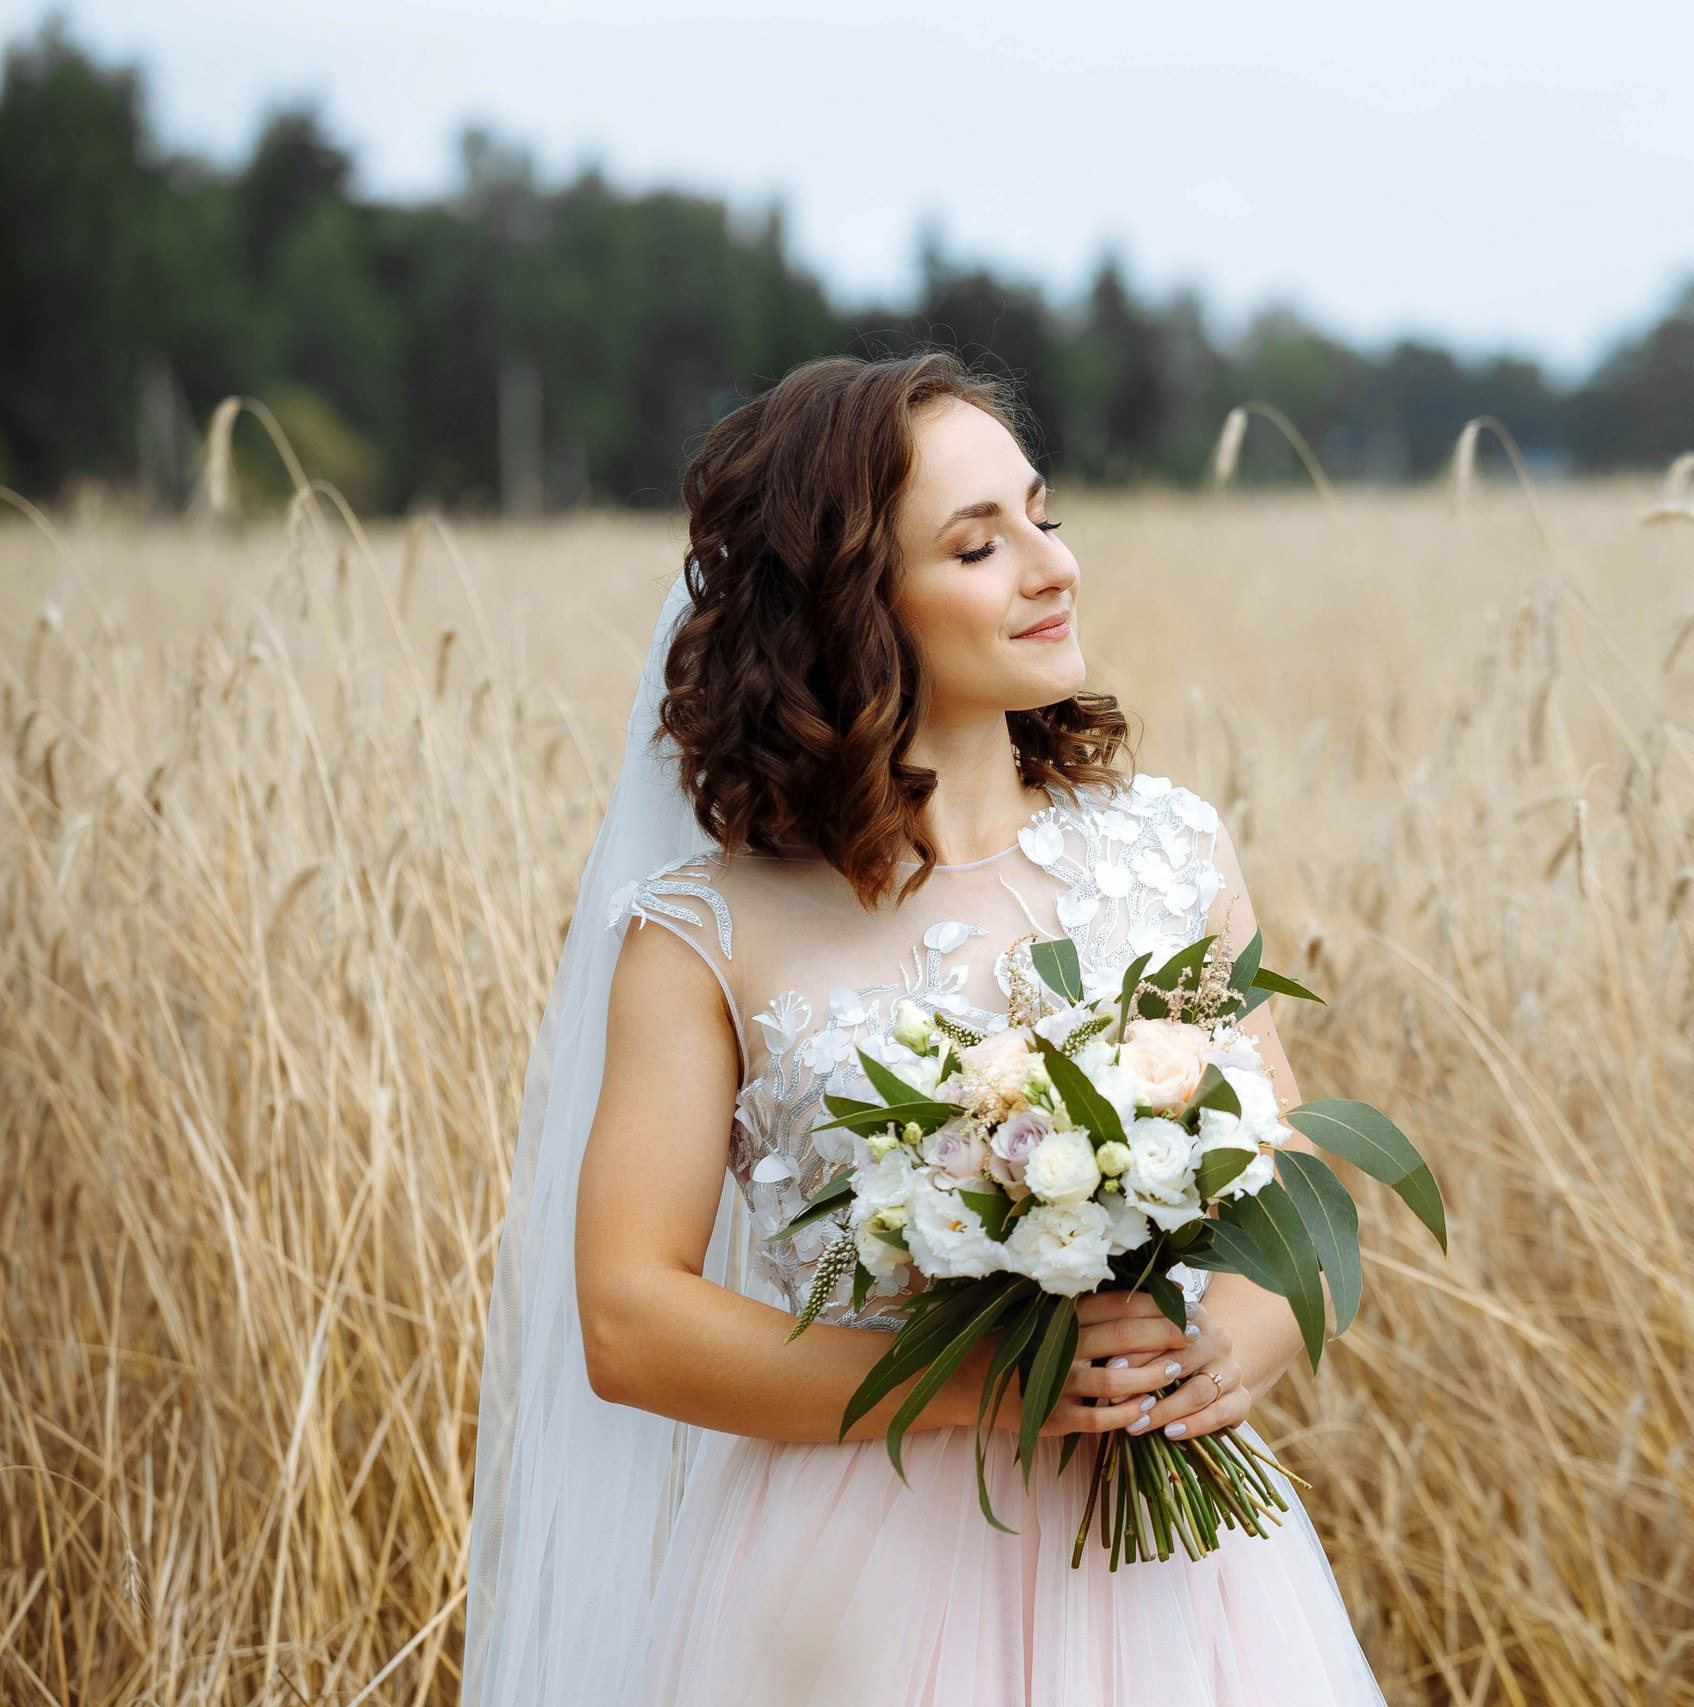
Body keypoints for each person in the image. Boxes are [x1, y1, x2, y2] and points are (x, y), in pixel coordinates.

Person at [460, 353, 1386, 1706]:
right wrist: (979, 1388)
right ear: (851, 603)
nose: (1051, 566)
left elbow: (1292, 1163)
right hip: (860, 1577)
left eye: (1043, 516)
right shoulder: (707, 930)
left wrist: (1233, 1343)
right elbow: (628, 1317)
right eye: (978, 543)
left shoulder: (1167, 852)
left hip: (1171, 1586)